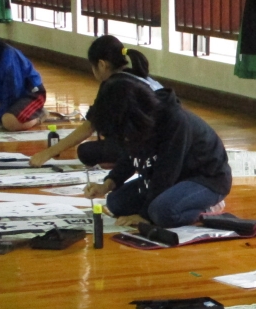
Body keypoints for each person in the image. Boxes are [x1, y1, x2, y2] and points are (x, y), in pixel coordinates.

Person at [82, 75, 231, 228]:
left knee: (161, 213)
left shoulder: (175, 121)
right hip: (172, 178)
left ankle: (206, 208)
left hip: (206, 179)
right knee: (116, 202)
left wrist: (144, 216)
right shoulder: (136, 122)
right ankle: (177, 200)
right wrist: (108, 184)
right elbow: (130, 156)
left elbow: (166, 172)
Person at [30, 35, 163, 167]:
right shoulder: (137, 75)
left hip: (153, 147)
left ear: (101, 64)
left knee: (86, 151)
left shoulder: (113, 85)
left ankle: (128, 164)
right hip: (166, 140)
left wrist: (47, 154)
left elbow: (88, 128)